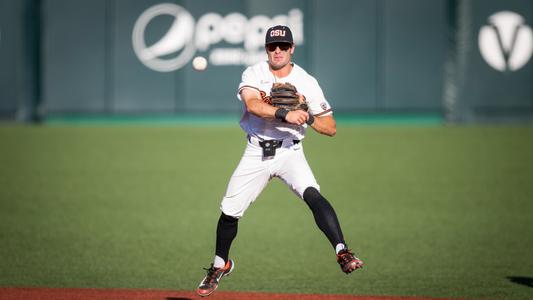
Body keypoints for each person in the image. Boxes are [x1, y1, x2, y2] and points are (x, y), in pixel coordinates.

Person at [196, 25, 363, 297]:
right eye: (273, 46)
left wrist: (307, 114)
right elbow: (252, 104)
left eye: (283, 46)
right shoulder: (254, 73)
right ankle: (220, 264)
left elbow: (330, 127)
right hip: (256, 152)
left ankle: (342, 252)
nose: (277, 51)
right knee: (229, 212)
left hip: (290, 152)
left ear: (292, 48)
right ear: (266, 49)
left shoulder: (307, 82)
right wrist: (285, 112)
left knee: (313, 194)